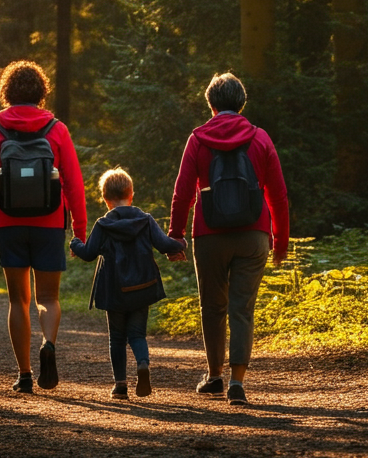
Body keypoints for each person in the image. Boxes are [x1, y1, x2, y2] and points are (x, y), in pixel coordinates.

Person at [0, 60, 87, 393]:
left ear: (6, 92)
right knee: (48, 296)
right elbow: (74, 183)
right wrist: (80, 230)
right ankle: (48, 342)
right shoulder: (57, 130)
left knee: (18, 300)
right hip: (50, 222)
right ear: (41, 92)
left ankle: (24, 374)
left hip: (8, 224)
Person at [169, 72, 289, 405]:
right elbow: (278, 195)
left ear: (210, 103)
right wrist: (280, 240)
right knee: (242, 309)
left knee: (212, 306)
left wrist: (175, 236)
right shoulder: (261, 138)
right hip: (253, 233)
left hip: (209, 234)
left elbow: (183, 194)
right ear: (242, 102)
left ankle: (215, 376)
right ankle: (237, 382)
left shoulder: (198, 139)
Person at [70, 168, 185, 399]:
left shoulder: (103, 224)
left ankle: (120, 385)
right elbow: (164, 244)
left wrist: (75, 244)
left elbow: (89, 253)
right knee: (137, 335)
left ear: (105, 199)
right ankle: (143, 364)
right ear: (131, 194)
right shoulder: (146, 220)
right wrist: (181, 245)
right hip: (143, 287)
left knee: (117, 338)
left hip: (114, 291)